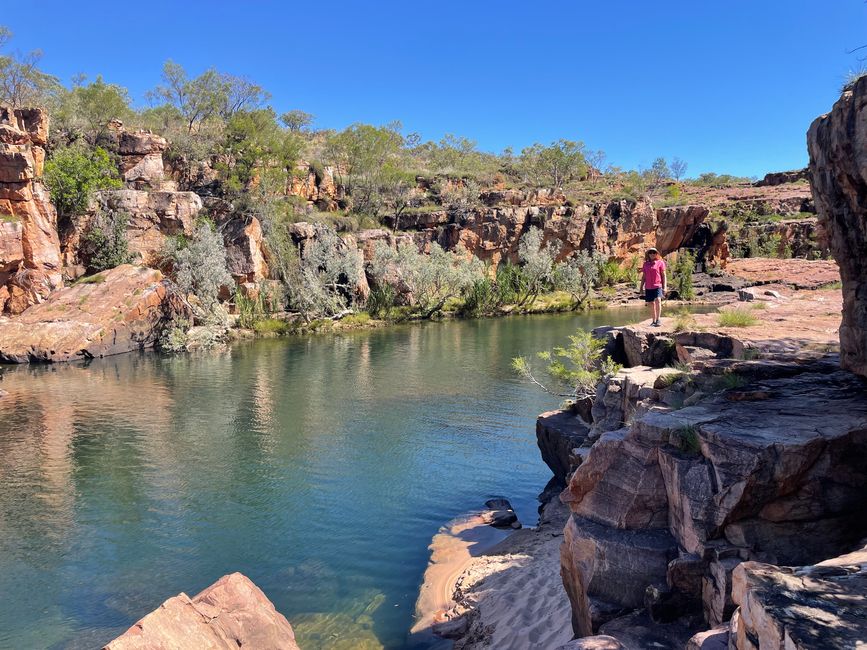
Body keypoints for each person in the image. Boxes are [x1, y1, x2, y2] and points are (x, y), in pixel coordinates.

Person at [639, 247, 667, 327]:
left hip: (657, 285)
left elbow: (664, 275)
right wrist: (641, 287)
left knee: (658, 300)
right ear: (648, 254)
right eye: (650, 252)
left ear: (656, 254)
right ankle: (653, 321)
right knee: (651, 303)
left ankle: (658, 320)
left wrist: (665, 287)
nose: (652, 254)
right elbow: (644, 277)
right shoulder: (646, 264)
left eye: (654, 252)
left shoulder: (660, 263)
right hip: (648, 287)